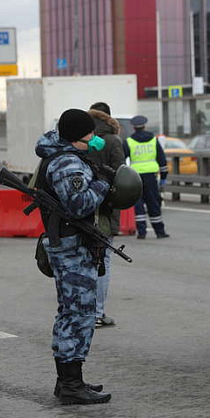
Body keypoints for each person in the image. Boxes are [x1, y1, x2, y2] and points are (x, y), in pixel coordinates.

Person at [35, 108, 113, 405]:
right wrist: (103, 183)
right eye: (90, 133)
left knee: (74, 313)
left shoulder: (64, 156)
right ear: (78, 136)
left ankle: (69, 380)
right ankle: (70, 385)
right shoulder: (66, 162)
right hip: (70, 249)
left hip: (69, 245)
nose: (94, 138)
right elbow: (80, 204)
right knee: (76, 315)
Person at [88, 102, 125, 328]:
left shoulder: (80, 139)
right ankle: (98, 313)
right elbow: (121, 175)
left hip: (78, 209)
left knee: (83, 260)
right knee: (103, 261)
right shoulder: (112, 141)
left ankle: (82, 311)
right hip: (104, 209)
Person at [124, 115, 170, 239]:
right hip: (151, 176)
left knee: (138, 204)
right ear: (144, 126)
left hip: (135, 177)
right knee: (153, 203)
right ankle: (160, 231)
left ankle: (142, 232)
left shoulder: (129, 141)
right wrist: (164, 177)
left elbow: (122, 160)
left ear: (134, 127)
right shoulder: (153, 140)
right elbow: (162, 160)